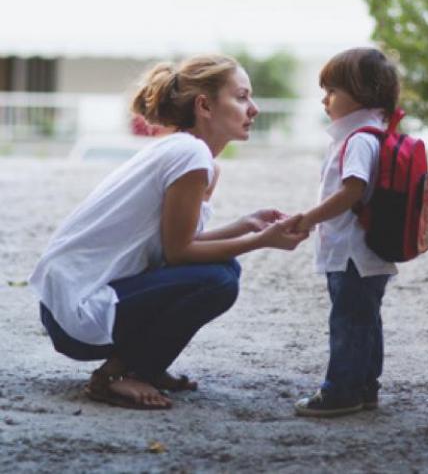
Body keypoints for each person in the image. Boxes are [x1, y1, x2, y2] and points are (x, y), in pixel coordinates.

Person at [29, 54, 308, 410]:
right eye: (241, 97)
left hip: (71, 304)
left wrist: (245, 225)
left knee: (223, 270)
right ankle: (120, 375)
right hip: (77, 313)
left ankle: (143, 365)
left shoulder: (189, 154)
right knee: (220, 279)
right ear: (204, 105)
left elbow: (171, 247)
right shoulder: (190, 155)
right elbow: (179, 254)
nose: (253, 108)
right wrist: (261, 241)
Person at [293, 48, 400, 418]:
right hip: (368, 250)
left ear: (363, 93)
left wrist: (308, 218)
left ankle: (340, 391)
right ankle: (365, 386)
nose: (325, 99)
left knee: (348, 321)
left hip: (353, 250)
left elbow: (351, 192)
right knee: (365, 318)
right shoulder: (374, 133)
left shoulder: (358, 140)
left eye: (333, 91)